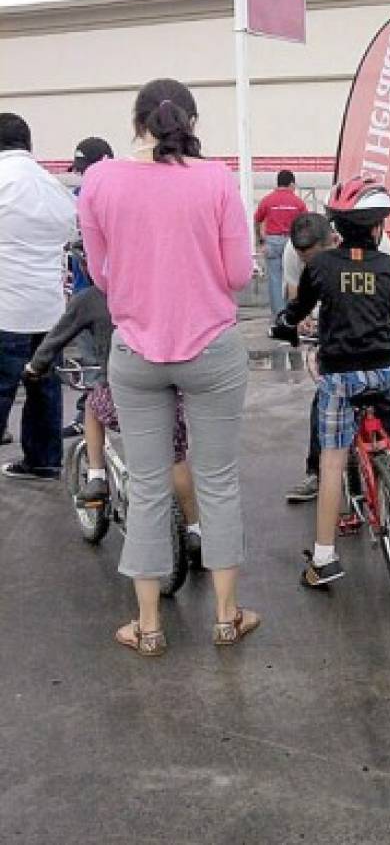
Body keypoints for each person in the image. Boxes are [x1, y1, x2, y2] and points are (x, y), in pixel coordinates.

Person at [79, 77, 259, 656]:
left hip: (135, 350)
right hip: (212, 348)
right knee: (218, 482)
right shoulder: (217, 179)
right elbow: (236, 274)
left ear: (136, 121)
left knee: (151, 486)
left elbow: (101, 275)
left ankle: (149, 625)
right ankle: (228, 618)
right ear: (192, 122)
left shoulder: (100, 180)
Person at [270, 177, 390, 589]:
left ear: (335, 228)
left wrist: (286, 323)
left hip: (340, 378)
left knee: (331, 465)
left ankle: (324, 558)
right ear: (377, 227)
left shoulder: (320, 267)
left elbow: (298, 308)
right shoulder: (388, 266)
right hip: (385, 370)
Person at [21, 256, 205, 566]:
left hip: (120, 391)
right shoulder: (157, 289)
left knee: (93, 406)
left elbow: (55, 338)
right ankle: (194, 529)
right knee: (175, 458)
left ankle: (96, 476)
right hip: (167, 387)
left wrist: (34, 366)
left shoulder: (92, 298)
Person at [282, 214, 390, 504]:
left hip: (379, 317)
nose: (311, 265)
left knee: (388, 391)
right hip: (330, 315)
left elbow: (388, 300)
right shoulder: (294, 250)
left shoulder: (379, 246)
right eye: (307, 261)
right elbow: (296, 294)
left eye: (317, 259)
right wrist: (302, 323)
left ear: (335, 241)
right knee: (326, 396)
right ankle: (317, 471)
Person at [0, 113, 77, 482]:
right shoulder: (52, 185)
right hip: (49, 311)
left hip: (6, 308)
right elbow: (70, 228)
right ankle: (43, 461)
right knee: (44, 387)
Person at [61, 136, 115, 440]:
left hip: (95, 293)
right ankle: (94, 414)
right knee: (96, 361)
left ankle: (91, 418)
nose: (83, 176)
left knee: (94, 363)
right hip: (92, 291)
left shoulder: (85, 197)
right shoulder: (78, 196)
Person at [255, 169, 308, 315]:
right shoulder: (298, 202)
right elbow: (306, 224)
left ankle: (278, 316)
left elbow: (257, 219)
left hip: (272, 242)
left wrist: (261, 241)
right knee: (294, 277)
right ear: (291, 184)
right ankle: (293, 314)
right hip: (292, 243)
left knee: (275, 280)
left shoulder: (267, 200)